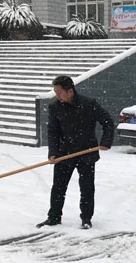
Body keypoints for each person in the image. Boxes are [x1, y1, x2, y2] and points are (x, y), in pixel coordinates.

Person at [37, 75, 114, 229]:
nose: (57, 95)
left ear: (70, 91)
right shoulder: (55, 107)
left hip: (87, 152)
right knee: (58, 187)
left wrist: (106, 141)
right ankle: (54, 217)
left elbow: (107, 121)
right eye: (55, 92)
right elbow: (53, 131)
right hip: (64, 152)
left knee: (87, 188)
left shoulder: (89, 104)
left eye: (59, 92)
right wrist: (53, 152)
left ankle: (86, 218)